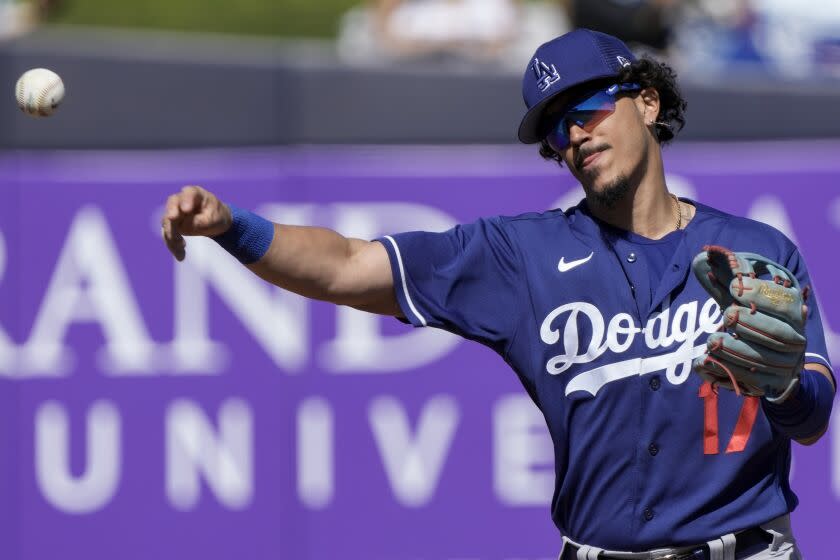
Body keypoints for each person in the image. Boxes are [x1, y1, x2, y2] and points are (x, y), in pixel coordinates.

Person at [161, 29, 835, 560]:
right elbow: (345, 266)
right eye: (556, 125)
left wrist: (780, 388)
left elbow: (811, 421)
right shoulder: (520, 256)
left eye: (591, 105)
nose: (575, 133)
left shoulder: (755, 249)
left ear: (648, 102)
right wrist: (231, 226)